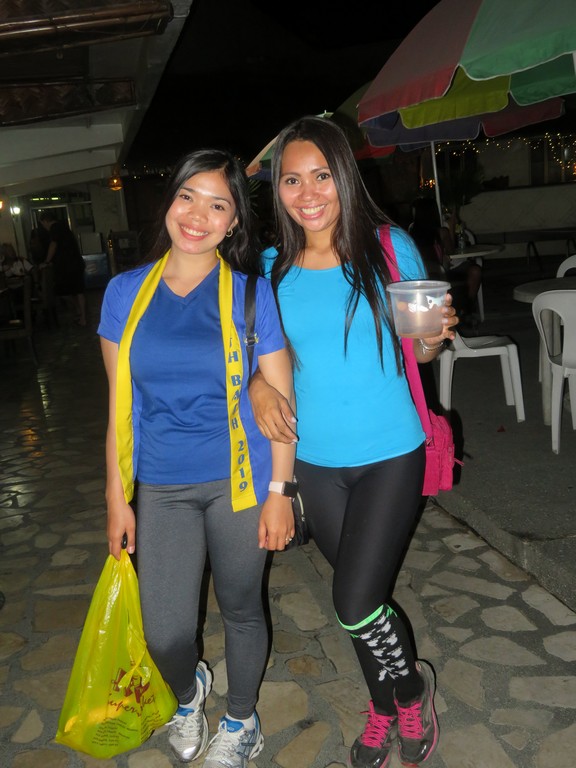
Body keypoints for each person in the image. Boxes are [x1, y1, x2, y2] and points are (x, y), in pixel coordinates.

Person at [248, 117, 458, 768]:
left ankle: (410, 691)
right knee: (361, 607)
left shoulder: (390, 248)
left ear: (343, 176)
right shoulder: (270, 269)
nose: (307, 193)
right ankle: (385, 703)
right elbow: (261, 361)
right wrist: (256, 387)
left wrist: (432, 337)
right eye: (292, 180)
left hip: (392, 451)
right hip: (315, 461)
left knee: (354, 599)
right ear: (278, 190)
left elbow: (420, 351)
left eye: (320, 176)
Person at [97, 148, 295, 768]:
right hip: (161, 484)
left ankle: (241, 718)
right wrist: (116, 499)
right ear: (170, 201)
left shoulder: (251, 295)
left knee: (242, 607)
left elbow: (280, 401)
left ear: (233, 223)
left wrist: (280, 492)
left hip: (241, 480)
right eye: (188, 197)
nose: (198, 216)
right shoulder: (125, 293)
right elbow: (118, 409)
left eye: (217, 205)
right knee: (166, 633)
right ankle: (189, 694)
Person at [409, 196, 482, 322]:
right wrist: (451, 227)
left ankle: (465, 308)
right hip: (440, 272)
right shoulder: (441, 232)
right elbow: (451, 250)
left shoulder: (411, 233)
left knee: (472, 270)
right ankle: (468, 308)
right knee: (475, 270)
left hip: (426, 274)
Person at [39, 211, 87, 326]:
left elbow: (53, 245)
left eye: (42, 223)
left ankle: (80, 314)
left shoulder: (55, 229)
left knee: (64, 291)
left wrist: (47, 261)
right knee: (77, 291)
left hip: (68, 266)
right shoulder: (64, 227)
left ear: (45, 221)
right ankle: (82, 315)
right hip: (75, 263)